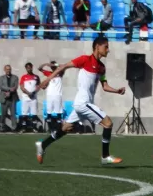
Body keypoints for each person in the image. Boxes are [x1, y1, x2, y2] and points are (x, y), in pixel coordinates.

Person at [36, 36, 126, 165]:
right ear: (97, 47)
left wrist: (117, 91)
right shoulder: (85, 60)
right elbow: (63, 67)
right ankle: (105, 156)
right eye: (106, 46)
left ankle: (43, 145)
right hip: (82, 103)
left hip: (84, 104)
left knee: (66, 128)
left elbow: (105, 86)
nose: (108, 50)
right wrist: (47, 79)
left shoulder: (102, 67)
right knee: (108, 123)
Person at [39, 61, 66, 131]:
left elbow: (64, 66)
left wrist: (55, 64)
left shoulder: (60, 73)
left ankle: (59, 128)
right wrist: (45, 64)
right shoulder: (49, 73)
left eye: (53, 66)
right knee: (49, 112)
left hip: (58, 95)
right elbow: (39, 68)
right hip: (50, 95)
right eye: (52, 66)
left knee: (58, 112)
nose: (52, 67)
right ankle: (51, 129)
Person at [18, 62, 42, 132]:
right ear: (26, 68)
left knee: (34, 113)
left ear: (32, 67)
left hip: (33, 98)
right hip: (25, 97)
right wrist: (28, 93)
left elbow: (38, 86)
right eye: (27, 68)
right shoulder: (23, 77)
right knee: (24, 113)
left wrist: (33, 92)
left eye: (30, 67)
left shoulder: (36, 77)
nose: (29, 69)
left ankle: (34, 128)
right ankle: (23, 128)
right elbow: (22, 87)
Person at [0, 65, 18, 131]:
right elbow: (1, 86)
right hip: (4, 98)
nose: (8, 71)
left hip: (12, 98)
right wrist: (9, 90)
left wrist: (10, 91)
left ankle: (14, 127)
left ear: (11, 69)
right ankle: (2, 127)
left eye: (9, 69)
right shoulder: (1, 78)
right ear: (4, 70)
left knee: (13, 114)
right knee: (3, 114)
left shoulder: (15, 77)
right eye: (7, 69)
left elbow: (15, 87)